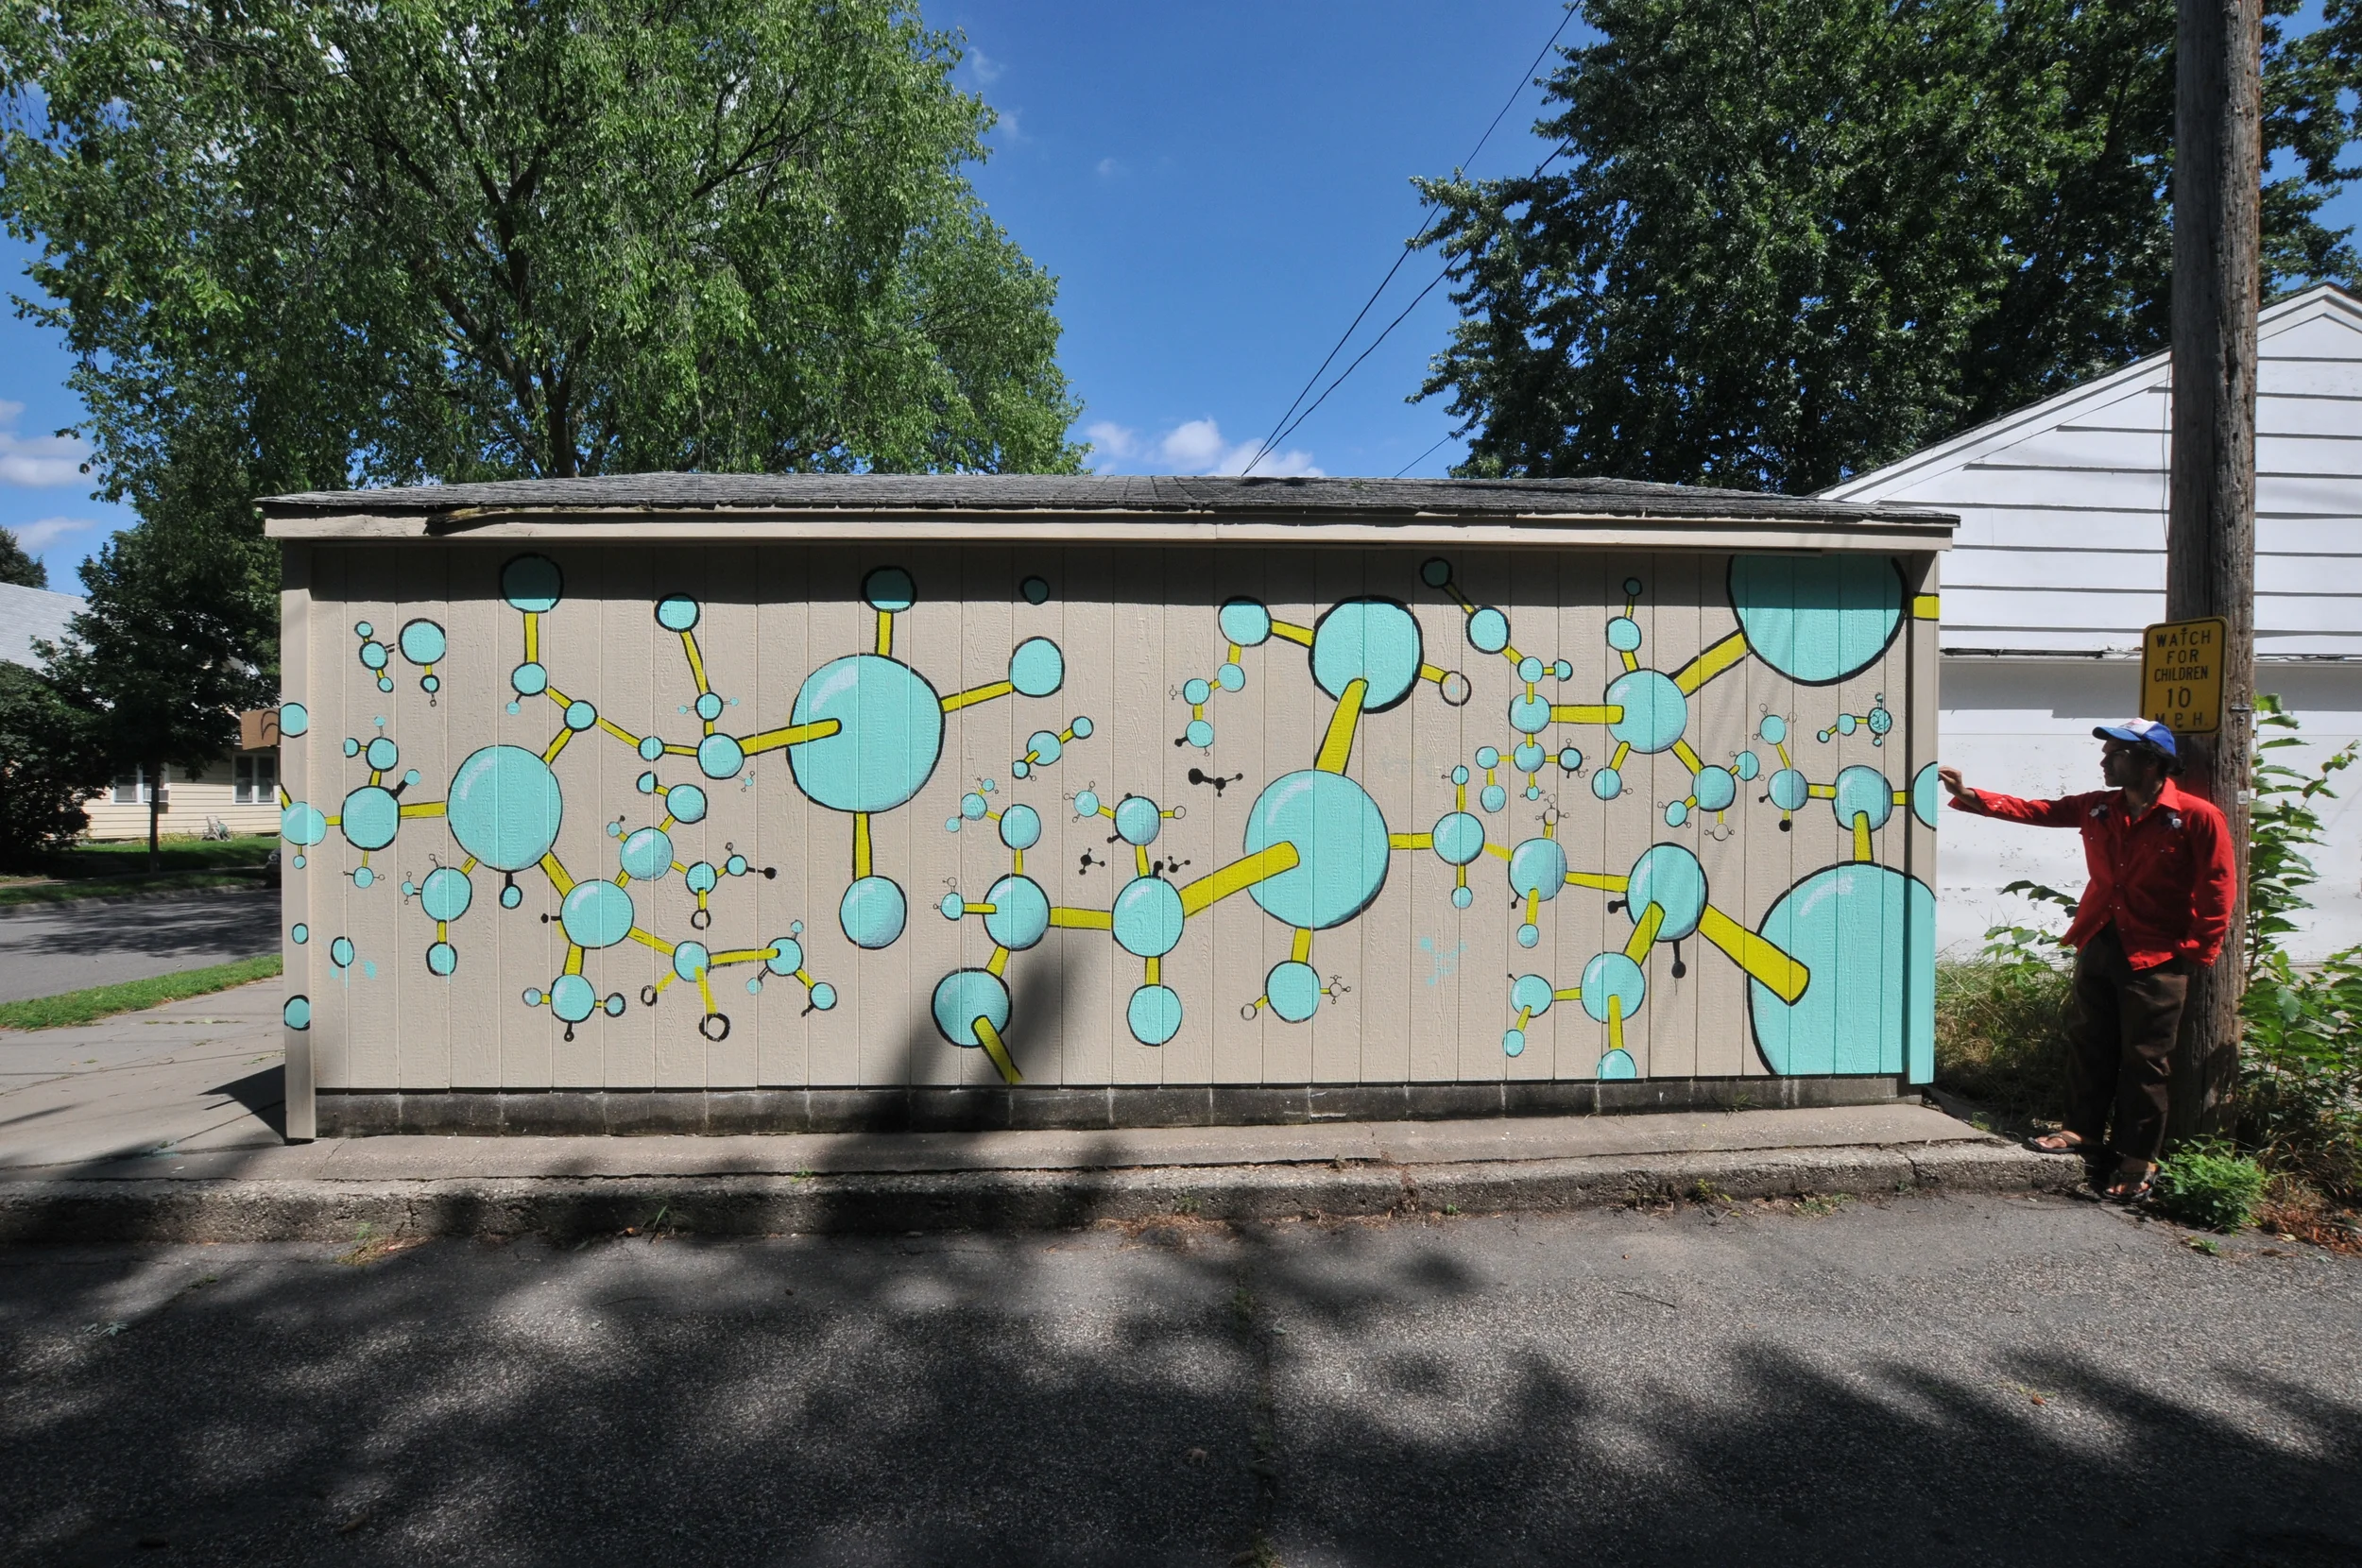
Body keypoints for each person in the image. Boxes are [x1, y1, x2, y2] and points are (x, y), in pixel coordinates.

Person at [1936, 719, 2235, 1202]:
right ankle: (2082, 1132)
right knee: (2088, 1042)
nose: (2104, 761)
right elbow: (2040, 811)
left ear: (2151, 762)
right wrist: (1971, 795)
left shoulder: (2196, 816)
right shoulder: (2099, 806)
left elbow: (2218, 885)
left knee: (2145, 1061)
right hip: (2100, 940)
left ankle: (2139, 1156)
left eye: (2115, 753)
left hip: (2157, 954)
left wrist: (2196, 953)